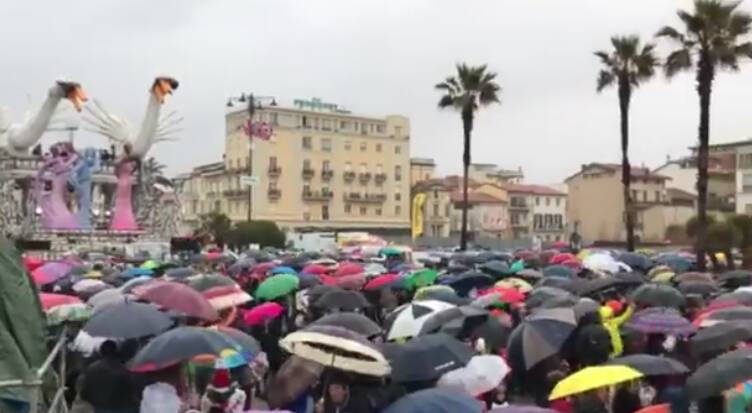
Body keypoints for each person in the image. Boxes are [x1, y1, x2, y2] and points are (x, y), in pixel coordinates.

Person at [80, 340, 139, 413]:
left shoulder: (91, 369)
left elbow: (85, 393)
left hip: (101, 408)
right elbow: (132, 391)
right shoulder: (123, 369)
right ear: (116, 352)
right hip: (123, 408)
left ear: (101, 352)